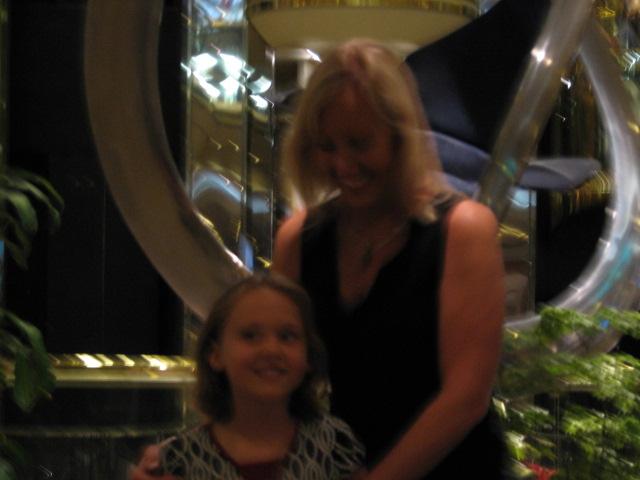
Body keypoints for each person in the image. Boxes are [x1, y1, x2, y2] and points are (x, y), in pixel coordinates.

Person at [272, 38, 507, 479]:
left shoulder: (463, 229)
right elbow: (273, 377)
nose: (343, 164)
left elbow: (465, 397)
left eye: (359, 143)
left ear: (401, 138)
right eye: (327, 146)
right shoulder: (298, 239)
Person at [130, 273, 366, 480]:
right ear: (215, 355)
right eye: (250, 335)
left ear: (308, 356)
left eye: (287, 336)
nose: (271, 350)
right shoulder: (179, 460)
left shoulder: (334, 446)